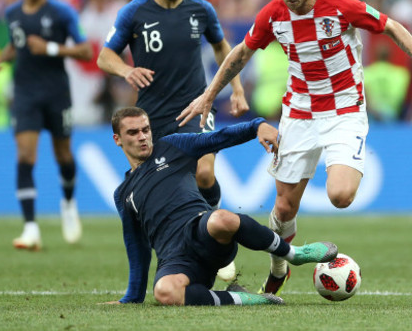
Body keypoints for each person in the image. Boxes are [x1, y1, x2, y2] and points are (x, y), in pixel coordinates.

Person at [178, 0, 412, 295]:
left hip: (345, 109)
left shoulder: (340, 6)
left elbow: (392, 26)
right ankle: (279, 269)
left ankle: (296, 256)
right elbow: (241, 53)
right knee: (284, 206)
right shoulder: (273, 15)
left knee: (340, 195)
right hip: (300, 112)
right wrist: (209, 94)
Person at [97, 0, 249, 279]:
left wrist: (236, 88)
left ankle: (216, 235)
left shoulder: (201, 10)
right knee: (161, 192)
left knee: (205, 173)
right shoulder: (134, 12)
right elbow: (104, 56)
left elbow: (223, 47)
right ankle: (182, 253)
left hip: (196, 106)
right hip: (152, 117)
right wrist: (126, 70)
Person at [105, 106, 338, 306]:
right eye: (133, 132)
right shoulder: (124, 194)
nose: (142, 137)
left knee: (221, 218)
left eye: (145, 130)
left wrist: (256, 126)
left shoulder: (171, 146)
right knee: (164, 292)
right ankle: (251, 300)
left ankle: (294, 254)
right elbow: (137, 247)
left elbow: (218, 137)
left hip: (202, 231)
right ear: (118, 139)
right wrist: (133, 297)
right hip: (175, 260)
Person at [0, 0, 92, 250]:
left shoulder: (62, 12)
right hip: (24, 93)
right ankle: (30, 228)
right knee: (25, 156)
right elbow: (17, 43)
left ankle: (69, 203)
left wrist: (49, 48)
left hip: (56, 93)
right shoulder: (11, 13)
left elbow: (86, 50)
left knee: (63, 155)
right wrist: (1, 58)